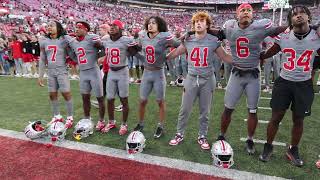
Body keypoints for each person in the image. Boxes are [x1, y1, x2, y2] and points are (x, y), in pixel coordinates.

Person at [216, 3, 288, 155]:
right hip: (236, 73)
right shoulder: (229, 26)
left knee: (252, 110)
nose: (246, 12)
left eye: (249, 10)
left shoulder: (260, 26)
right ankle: (222, 135)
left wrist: (294, 25)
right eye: (242, 10)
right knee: (228, 108)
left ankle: (250, 138)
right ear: (237, 14)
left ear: (253, 14)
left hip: (253, 75)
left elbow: (279, 32)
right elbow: (218, 35)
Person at [259, 5, 320, 167]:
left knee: (298, 119)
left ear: (309, 17)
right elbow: (273, 50)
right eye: (294, 14)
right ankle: (268, 146)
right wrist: (261, 56)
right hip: (284, 82)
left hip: (304, 83)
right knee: (276, 117)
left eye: (302, 13)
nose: (298, 16)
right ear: (290, 21)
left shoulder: (317, 35)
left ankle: (293, 149)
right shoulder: (284, 36)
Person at [167, 11, 232, 150]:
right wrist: (163, 58)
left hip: (207, 79)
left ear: (207, 25)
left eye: (202, 21)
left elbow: (225, 57)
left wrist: (244, 61)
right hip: (191, 78)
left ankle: (202, 135)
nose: (198, 23)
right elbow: (176, 52)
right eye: (196, 21)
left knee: (205, 111)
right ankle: (179, 133)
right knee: (184, 109)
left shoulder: (213, 40)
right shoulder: (188, 40)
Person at [133, 16, 179, 138]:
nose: (150, 25)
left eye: (154, 23)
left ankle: (161, 125)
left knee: (160, 101)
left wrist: (169, 56)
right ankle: (141, 123)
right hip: (146, 72)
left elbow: (178, 44)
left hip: (158, 73)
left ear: (159, 25)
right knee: (142, 100)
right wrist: (137, 55)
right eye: (149, 23)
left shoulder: (164, 36)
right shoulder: (142, 35)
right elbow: (137, 48)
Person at [97, 20, 140, 135]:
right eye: (111, 25)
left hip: (122, 71)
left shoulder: (126, 40)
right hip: (111, 71)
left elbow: (136, 51)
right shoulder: (105, 40)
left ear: (120, 28)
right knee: (110, 99)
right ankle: (111, 122)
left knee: (123, 99)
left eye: (115, 26)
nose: (112, 27)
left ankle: (124, 124)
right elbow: (97, 47)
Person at [67, 21, 105, 127]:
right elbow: (73, 55)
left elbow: (102, 47)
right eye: (76, 27)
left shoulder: (92, 37)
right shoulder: (73, 42)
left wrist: (101, 56)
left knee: (99, 98)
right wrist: (74, 58)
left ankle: (101, 120)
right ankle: (87, 118)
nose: (77, 29)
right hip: (83, 72)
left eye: (79, 27)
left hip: (94, 71)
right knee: (85, 97)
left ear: (86, 29)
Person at [38, 20, 74, 128]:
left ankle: (70, 117)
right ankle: (57, 116)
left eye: (52, 26)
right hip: (51, 72)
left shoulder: (64, 39)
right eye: (48, 26)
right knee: (52, 94)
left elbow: (72, 53)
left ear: (58, 28)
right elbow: (43, 58)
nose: (49, 27)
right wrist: (40, 75)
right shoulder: (44, 41)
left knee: (66, 93)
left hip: (62, 70)